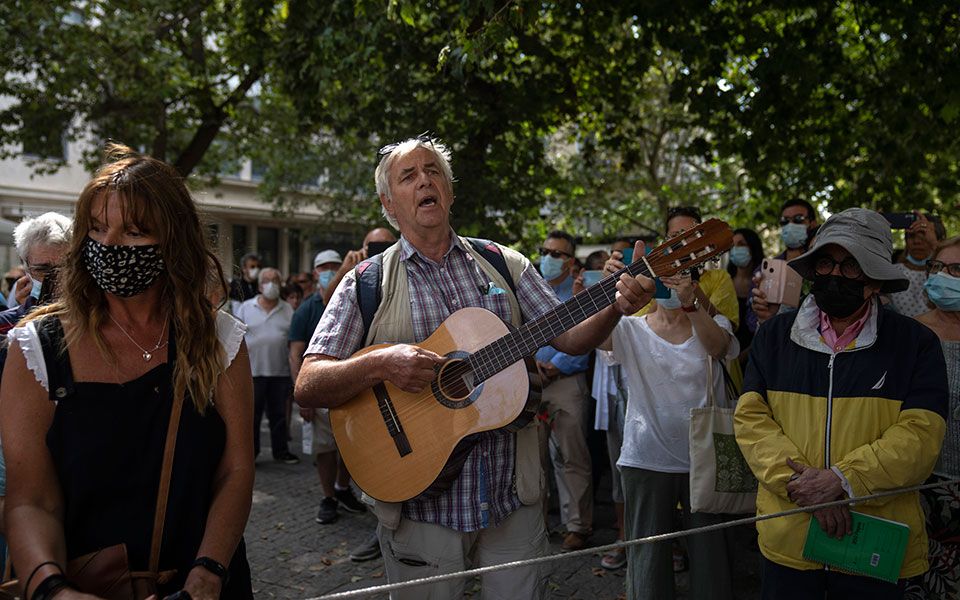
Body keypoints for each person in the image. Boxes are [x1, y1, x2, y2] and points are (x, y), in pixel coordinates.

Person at [294, 135, 653, 599]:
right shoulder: (366, 282)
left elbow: (570, 336)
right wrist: (381, 363)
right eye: (409, 176)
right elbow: (308, 383)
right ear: (389, 202)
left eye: (434, 171)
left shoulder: (505, 264)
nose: (425, 180)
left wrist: (616, 306)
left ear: (448, 189)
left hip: (512, 499)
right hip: (419, 509)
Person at [0, 143, 254, 599]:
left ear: (173, 241)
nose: (109, 245)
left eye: (134, 232)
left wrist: (209, 570)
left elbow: (235, 469)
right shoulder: (35, 348)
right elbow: (30, 499)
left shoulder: (219, 340)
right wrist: (51, 588)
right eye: (97, 227)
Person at [734, 208, 948, 598]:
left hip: (875, 544)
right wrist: (803, 487)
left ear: (875, 280)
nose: (835, 274)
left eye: (851, 266)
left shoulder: (914, 343)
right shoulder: (773, 337)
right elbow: (751, 422)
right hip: (790, 539)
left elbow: (921, 437)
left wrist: (842, 481)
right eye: (827, 262)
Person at [598, 211, 740, 600]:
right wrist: (612, 288)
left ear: (694, 280)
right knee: (646, 564)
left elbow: (720, 349)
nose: (672, 285)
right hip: (646, 459)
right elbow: (594, 336)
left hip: (704, 460)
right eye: (664, 280)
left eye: (682, 277)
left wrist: (694, 306)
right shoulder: (630, 328)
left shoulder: (716, 324)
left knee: (712, 566)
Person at [289, 248, 365, 523]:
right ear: (315, 273)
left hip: (350, 388)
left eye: (338, 266)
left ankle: (342, 489)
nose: (333, 271)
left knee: (350, 447)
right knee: (324, 449)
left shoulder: (356, 297)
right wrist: (302, 393)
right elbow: (295, 354)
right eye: (327, 268)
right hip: (320, 391)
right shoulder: (307, 309)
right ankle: (328, 497)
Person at [535, 229, 595, 551]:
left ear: (570, 260)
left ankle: (578, 527)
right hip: (532, 384)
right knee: (534, 459)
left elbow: (586, 337)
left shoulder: (579, 291)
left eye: (556, 254)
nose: (547, 258)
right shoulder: (529, 288)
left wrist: (555, 367)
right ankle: (536, 526)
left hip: (566, 384)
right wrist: (533, 366)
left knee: (573, 457)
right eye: (545, 251)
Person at [912, 236, 960, 600]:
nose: (942, 276)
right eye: (937, 267)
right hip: (920, 488)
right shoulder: (911, 333)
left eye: (955, 270)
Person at [236, 267, 299, 465]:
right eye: (267, 280)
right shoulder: (245, 307)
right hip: (252, 372)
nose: (271, 283)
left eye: (274, 279)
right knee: (252, 417)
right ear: (260, 285)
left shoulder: (287, 309)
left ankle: (281, 451)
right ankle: (251, 455)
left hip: (279, 371)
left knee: (278, 414)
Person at [749, 199, 820, 328]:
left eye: (798, 219)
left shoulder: (823, 267)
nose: (790, 225)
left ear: (812, 224)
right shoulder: (763, 271)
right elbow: (751, 321)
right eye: (784, 221)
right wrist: (763, 314)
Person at [0, 212, 72, 335]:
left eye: (62, 268)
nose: (54, 278)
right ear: (25, 265)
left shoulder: (98, 323)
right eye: (41, 270)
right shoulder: (4, 326)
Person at [888, 212, 946, 317]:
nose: (917, 242)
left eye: (924, 235)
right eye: (911, 236)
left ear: (938, 240)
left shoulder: (947, 275)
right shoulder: (891, 273)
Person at [727, 227, 764, 365]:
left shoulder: (762, 284)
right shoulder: (724, 282)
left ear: (753, 247)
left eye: (741, 244)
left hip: (757, 356)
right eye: (733, 245)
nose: (736, 249)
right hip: (728, 357)